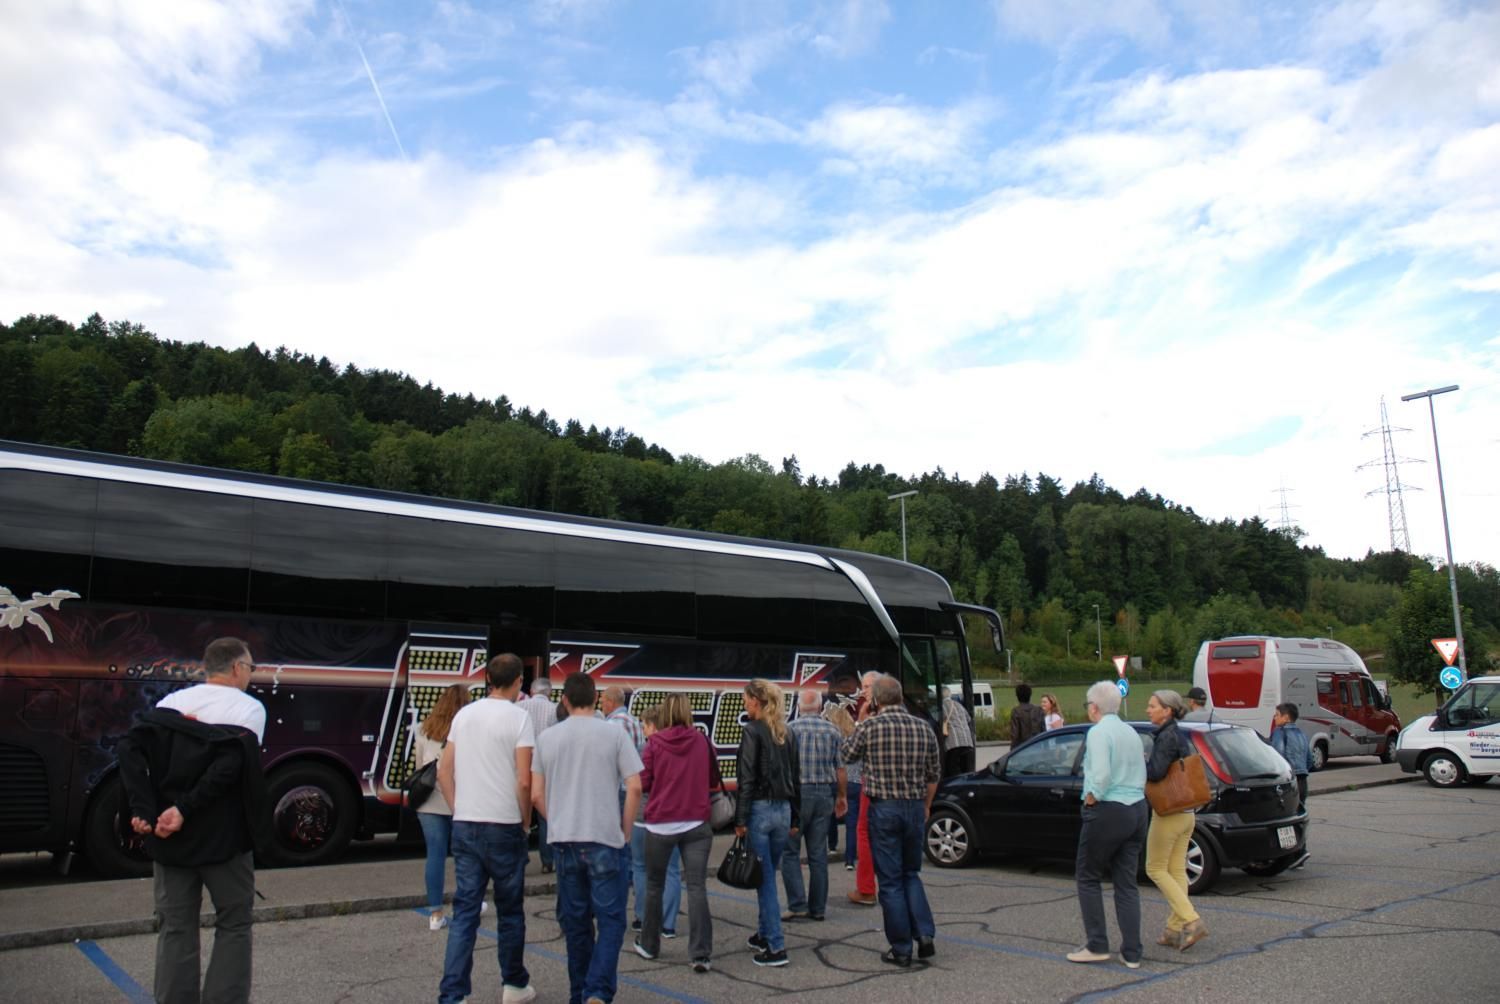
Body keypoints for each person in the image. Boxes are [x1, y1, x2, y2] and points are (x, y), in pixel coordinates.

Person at [116, 637, 270, 1004]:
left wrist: (143, 809)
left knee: (175, 927)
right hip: (224, 841)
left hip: (169, 838)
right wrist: (185, 809)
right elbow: (229, 769)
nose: (250, 675)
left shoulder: (170, 704)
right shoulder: (249, 710)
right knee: (233, 923)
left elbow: (130, 750)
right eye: (250, 668)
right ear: (237, 668)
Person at [533, 672, 643, 1004]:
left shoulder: (548, 739)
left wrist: (557, 820)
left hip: (565, 840)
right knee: (611, 921)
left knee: (576, 923)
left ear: (564, 700)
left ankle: (579, 992)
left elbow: (536, 795)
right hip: (606, 839)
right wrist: (625, 831)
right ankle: (597, 991)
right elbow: (635, 786)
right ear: (596, 699)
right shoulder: (613, 734)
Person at [436, 653, 537, 1004]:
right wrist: (525, 820)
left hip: (466, 822)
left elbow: (443, 772)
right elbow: (524, 780)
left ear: (489, 679)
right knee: (510, 910)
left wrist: (457, 807)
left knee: (465, 911)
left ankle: (453, 994)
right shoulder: (519, 718)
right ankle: (513, 985)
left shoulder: (464, 715)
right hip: (504, 824)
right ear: (518, 681)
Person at [840, 674, 942, 968]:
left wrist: (860, 720)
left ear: (876, 700)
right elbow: (933, 774)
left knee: (890, 881)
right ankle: (924, 935)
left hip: (884, 808)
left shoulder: (871, 726)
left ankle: (900, 948)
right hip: (913, 807)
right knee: (911, 873)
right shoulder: (923, 728)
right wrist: (926, 806)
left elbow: (847, 753)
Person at [1068, 680, 1149, 970]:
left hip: (1109, 807)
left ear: (1094, 708)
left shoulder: (1098, 732)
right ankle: (1132, 951)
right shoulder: (1131, 731)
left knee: (1088, 876)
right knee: (1126, 883)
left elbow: (1100, 773)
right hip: (1137, 807)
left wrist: (1091, 799)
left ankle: (1097, 944)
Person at [634, 695, 716, 973]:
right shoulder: (702, 741)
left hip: (661, 824)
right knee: (697, 887)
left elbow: (644, 782)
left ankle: (649, 945)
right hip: (696, 822)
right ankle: (700, 953)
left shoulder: (654, 744)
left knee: (654, 885)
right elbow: (714, 779)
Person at [602, 687, 681, 938]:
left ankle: (643, 918)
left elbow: (639, 783)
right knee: (670, 870)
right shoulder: (678, 747)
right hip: (674, 816)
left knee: (640, 866)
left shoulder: (650, 749)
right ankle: (668, 923)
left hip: (644, 814)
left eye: (646, 725)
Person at [735, 678, 800, 967]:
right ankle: (763, 934)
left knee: (765, 882)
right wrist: (795, 817)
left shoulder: (752, 731)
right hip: (783, 811)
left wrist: (740, 818)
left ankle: (775, 946)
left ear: (758, 701)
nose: (744, 703)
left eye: (747, 699)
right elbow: (795, 778)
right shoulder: (786, 733)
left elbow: (746, 778)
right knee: (768, 874)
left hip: (760, 810)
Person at [1143, 690, 1206, 952]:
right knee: (1177, 870)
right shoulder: (1178, 734)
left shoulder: (1165, 737)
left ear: (1167, 710)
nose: (1148, 710)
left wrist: (1139, 763)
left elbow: (1156, 773)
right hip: (1186, 812)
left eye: (1152, 705)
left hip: (1168, 813)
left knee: (1154, 869)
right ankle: (1174, 929)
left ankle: (1191, 920)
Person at [780, 690, 848, 923]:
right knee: (818, 854)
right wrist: (841, 796)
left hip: (797, 795)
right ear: (820, 707)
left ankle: (797, 904)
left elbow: (784, 767)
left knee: (790, 851)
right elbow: (840, 769)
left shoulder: (790, 730)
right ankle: (818, 908)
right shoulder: (833, 730)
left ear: (799, 706)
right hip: (824, 794)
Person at [414, 684, 466, 930]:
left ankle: (435, 913)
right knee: (465, 856)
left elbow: (418, 766)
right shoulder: (466, 728)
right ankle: (467, 902)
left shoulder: (424, 728)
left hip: (428, 802)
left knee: (434, 855)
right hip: (459, 800)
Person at [847, 671, 880, 906]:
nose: (863, 691)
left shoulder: (871, 718)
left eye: (868, 686)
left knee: (864, 832)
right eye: (863, 686)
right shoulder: (906, 718)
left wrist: (859, 721)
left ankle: (867, 888)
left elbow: (851, 752)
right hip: (902, 791)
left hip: (872, 784)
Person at [1270, 702, 1312, 870]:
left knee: (1285, 819)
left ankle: (1295, 853)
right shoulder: (1302, 734)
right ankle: (1300, 851)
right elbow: (1309, 760)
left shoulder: (1280, 733)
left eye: (1277, 715)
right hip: (1302, 780)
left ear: (1286, 717)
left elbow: (1276, 756)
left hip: (1288, 781)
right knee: (1298, 816)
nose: (1274, 718)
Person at [524, 677, 560, 873]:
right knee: (545, 814)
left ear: (531, 690)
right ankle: (547, 861)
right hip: (546, 766)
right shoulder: (555, 710)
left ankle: (521, 857)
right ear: (550, 692)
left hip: (522, 764)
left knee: (522, 813)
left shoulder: (519, 707)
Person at [823, 702, 860, 872]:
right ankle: (851, 858)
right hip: (857, 782)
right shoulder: (855, 736)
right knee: (854, 823)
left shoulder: (832, 736)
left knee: (831, 815)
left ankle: (833, 846)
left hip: (835, 780)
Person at [939, 686, 976, 776]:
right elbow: (968, 719)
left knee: (952, 770)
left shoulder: (941, 707)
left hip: (953, 743)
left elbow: (938, 721)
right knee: (967, 772)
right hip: (968, 742)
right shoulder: (959, 705)